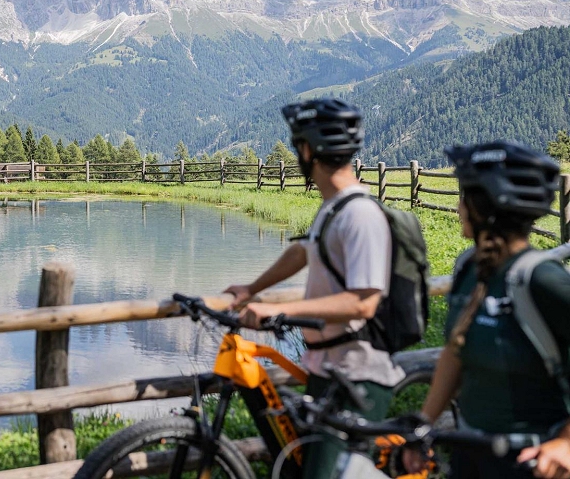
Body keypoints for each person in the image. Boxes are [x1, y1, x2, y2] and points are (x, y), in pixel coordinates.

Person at [224, 98, 405, 479]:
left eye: (297, 147)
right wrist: (251, 288)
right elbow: (303, 251)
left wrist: (278, 310)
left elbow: (364, 303)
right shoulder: (333, 208)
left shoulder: (360, 215)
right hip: (328, 368)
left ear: (309, 150)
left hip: (356, 375)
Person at [403, 141, 570, 479]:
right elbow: (454, 353)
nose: (459, 206)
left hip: (531, 463)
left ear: (486, 208)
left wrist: (566, 443)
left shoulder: (541, 279)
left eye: (465, 196)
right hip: (470, 453)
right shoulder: (470, 268)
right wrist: (424, 425)